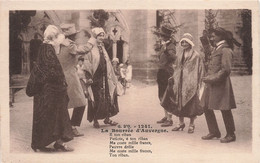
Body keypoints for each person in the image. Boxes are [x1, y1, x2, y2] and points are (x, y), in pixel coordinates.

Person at [26, 25, 74, 152]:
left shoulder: (46, 47)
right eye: (58, 36)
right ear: (54, 38)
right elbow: (51, 70)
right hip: (50, 91)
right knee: (50, 116)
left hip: (50, 90)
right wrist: (61, 82)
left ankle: (54, 142)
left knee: (53, 117)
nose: (60, 39)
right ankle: (44, 144)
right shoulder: (47, 48)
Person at [201, 27, 237, 143]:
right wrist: (204, 40)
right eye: (211, 36)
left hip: (220, 83)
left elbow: (226, 70)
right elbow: (208, 53)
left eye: (214, 36)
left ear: (220, 36)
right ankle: (214, 131)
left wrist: (212, 78)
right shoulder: (217, 48)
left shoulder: (225, 50)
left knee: (225, 108)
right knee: (206, 106)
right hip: (211, 83)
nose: (212, 38)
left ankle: (231, 134)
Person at [168, 33, 205, 133]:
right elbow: (177, 67)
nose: (184, 43)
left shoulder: (196, 56)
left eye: (186, 42)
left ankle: (192, 124)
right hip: (180, 82)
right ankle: (180, 123)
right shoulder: (180, 54)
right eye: (182, 42)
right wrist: (174, 77)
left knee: (191, 104)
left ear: (190, 43)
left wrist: (199, 81)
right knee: (179, 102)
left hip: (191, 83)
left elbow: (200, 69)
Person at [84, 27, 119, 128]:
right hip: (95, 77)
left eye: (103, 35)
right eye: (100, 35)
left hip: (105, 76)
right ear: (95, 36)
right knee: (97, 98)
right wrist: (88, 76)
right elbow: (87, 63)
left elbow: (106, 61)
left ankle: (107, 118)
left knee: (108, 97)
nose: (102, 37)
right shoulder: (90, 48)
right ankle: (95, 119)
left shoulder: (102, 47)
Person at [57, 24, 87, 137]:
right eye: (75, 35)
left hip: (60, 76)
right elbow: (82, 50)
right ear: (72, 35)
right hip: (70, 76)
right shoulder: (70, 44)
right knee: (81, 103)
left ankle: (64, 128)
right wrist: (91, 42)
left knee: (63, 104)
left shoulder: (58, 44)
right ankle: (72, 127)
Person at [155, 26, 177, 127]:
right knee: (161, 95)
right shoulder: (164, 45)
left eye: (162, 35)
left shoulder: (171, 46)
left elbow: (173, 58)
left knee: (167, 95)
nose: (161, 37)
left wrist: (165, 50)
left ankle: (170, 119)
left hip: (167, 72)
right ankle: (165, 116)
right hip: (161, 72)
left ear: (166, 36)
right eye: (161, 35)